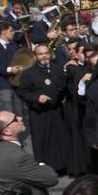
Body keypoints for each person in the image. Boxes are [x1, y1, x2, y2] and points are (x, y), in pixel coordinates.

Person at [13, 44, 69, 173]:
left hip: (56, 109)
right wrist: (37, 98)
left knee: (59, 138)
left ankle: (62, 166)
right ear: (35, 56)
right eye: (40, 54)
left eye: (45, 53)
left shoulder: (57, 68)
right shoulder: (28, 73)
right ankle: (44, 167)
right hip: (39, 112)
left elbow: (64, 86)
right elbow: (22, 92)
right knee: (42, 139)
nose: (44, 56)